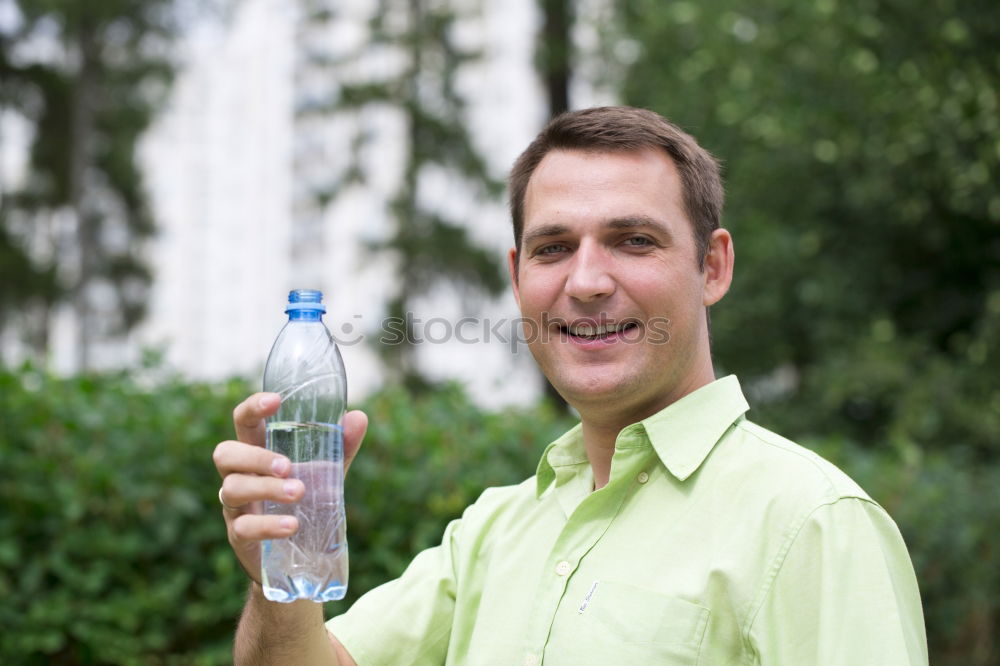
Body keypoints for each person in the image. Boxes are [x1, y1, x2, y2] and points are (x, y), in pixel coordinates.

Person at [213, 106, 928, 665]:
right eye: (554, 249)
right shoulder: (495, 530)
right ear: (518, 274)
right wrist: (279, 575)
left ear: (712, 267)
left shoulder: (814, 525)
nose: (585, 283)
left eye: (633, 240)